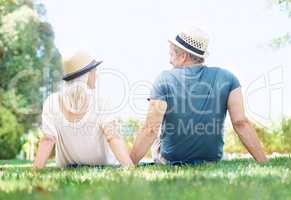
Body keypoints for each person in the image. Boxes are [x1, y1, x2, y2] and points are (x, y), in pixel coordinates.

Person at [130, 27, 268, 165]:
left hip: (170, 160)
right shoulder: (228, 78)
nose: (170, 61)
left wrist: (128, 165)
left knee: (152, 128)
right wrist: (264, 162)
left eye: (171, 55)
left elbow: (150, 130)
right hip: (212, 159)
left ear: (183, 56)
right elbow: (240, 123)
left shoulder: (164, 79)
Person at [33, 51, 133, 168]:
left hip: (67, 167)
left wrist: (35, 172)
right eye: (94, 71)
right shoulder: (101, 101)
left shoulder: (51, 102)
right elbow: (113, 136)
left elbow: (47, 140)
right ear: (87, 75)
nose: (96, 75)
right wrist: (130, 168)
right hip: (103, 166)